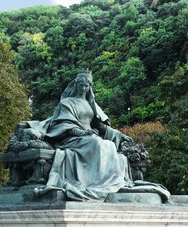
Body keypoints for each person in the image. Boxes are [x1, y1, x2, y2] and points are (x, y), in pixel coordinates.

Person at [30, 70, 170, 202]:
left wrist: (119, 134)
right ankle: (95, 181)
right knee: (96, 144)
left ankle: (107, 181)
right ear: (76, 85)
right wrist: (82, 132)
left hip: (91, 136)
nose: (83, 88)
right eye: (81, 85)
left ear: (89, 86)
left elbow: (101, 126)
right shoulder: (66, 103)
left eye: (86, 85)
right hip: (72, 138)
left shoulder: (92, 104)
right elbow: (64, 124)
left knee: (108, 144)